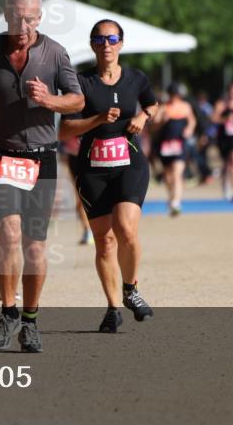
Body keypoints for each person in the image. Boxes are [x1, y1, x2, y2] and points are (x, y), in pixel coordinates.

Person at [0, 0, 84, 353]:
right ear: (5, 14)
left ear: (40, 17)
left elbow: (77, 99)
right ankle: (8, 311)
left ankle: (30, 320)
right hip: (1, 154)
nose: (24, 25)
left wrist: (49, 99)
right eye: (17, 17)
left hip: (41, 157)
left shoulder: (55, 53)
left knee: (35, 246)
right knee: (10, 235)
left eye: (31, 18)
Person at [59, 19, 159, 334]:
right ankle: (113, 307)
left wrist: (143, 116)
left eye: (112, 38)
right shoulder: (80, 83)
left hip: (129, 162)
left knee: (126, 230)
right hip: (92, 167)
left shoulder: (136, 78)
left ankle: (131, 289)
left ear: (121, 43)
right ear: (92, 44)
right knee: (105, 241)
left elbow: (154, 104)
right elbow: (64, 130)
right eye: (100, 39)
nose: (106, 45)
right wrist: (97, 119)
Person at [155, 83, 196, 216]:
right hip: (166, 144)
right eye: (172, 95)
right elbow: (154, 125)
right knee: (168, 175)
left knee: (177, 173)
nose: (175, 98)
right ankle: (171, 196)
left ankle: (176, 202)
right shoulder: (163, 108)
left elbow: (192, 121)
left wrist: (189, 129)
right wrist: (162, 120)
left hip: (180, 144)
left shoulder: (185, 107)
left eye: (176, 95)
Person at [60, 135, 93, 245]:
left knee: (93, 195)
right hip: (74, 154)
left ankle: (93, 230)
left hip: (95, 152)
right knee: (80, 196)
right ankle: (88, 230)